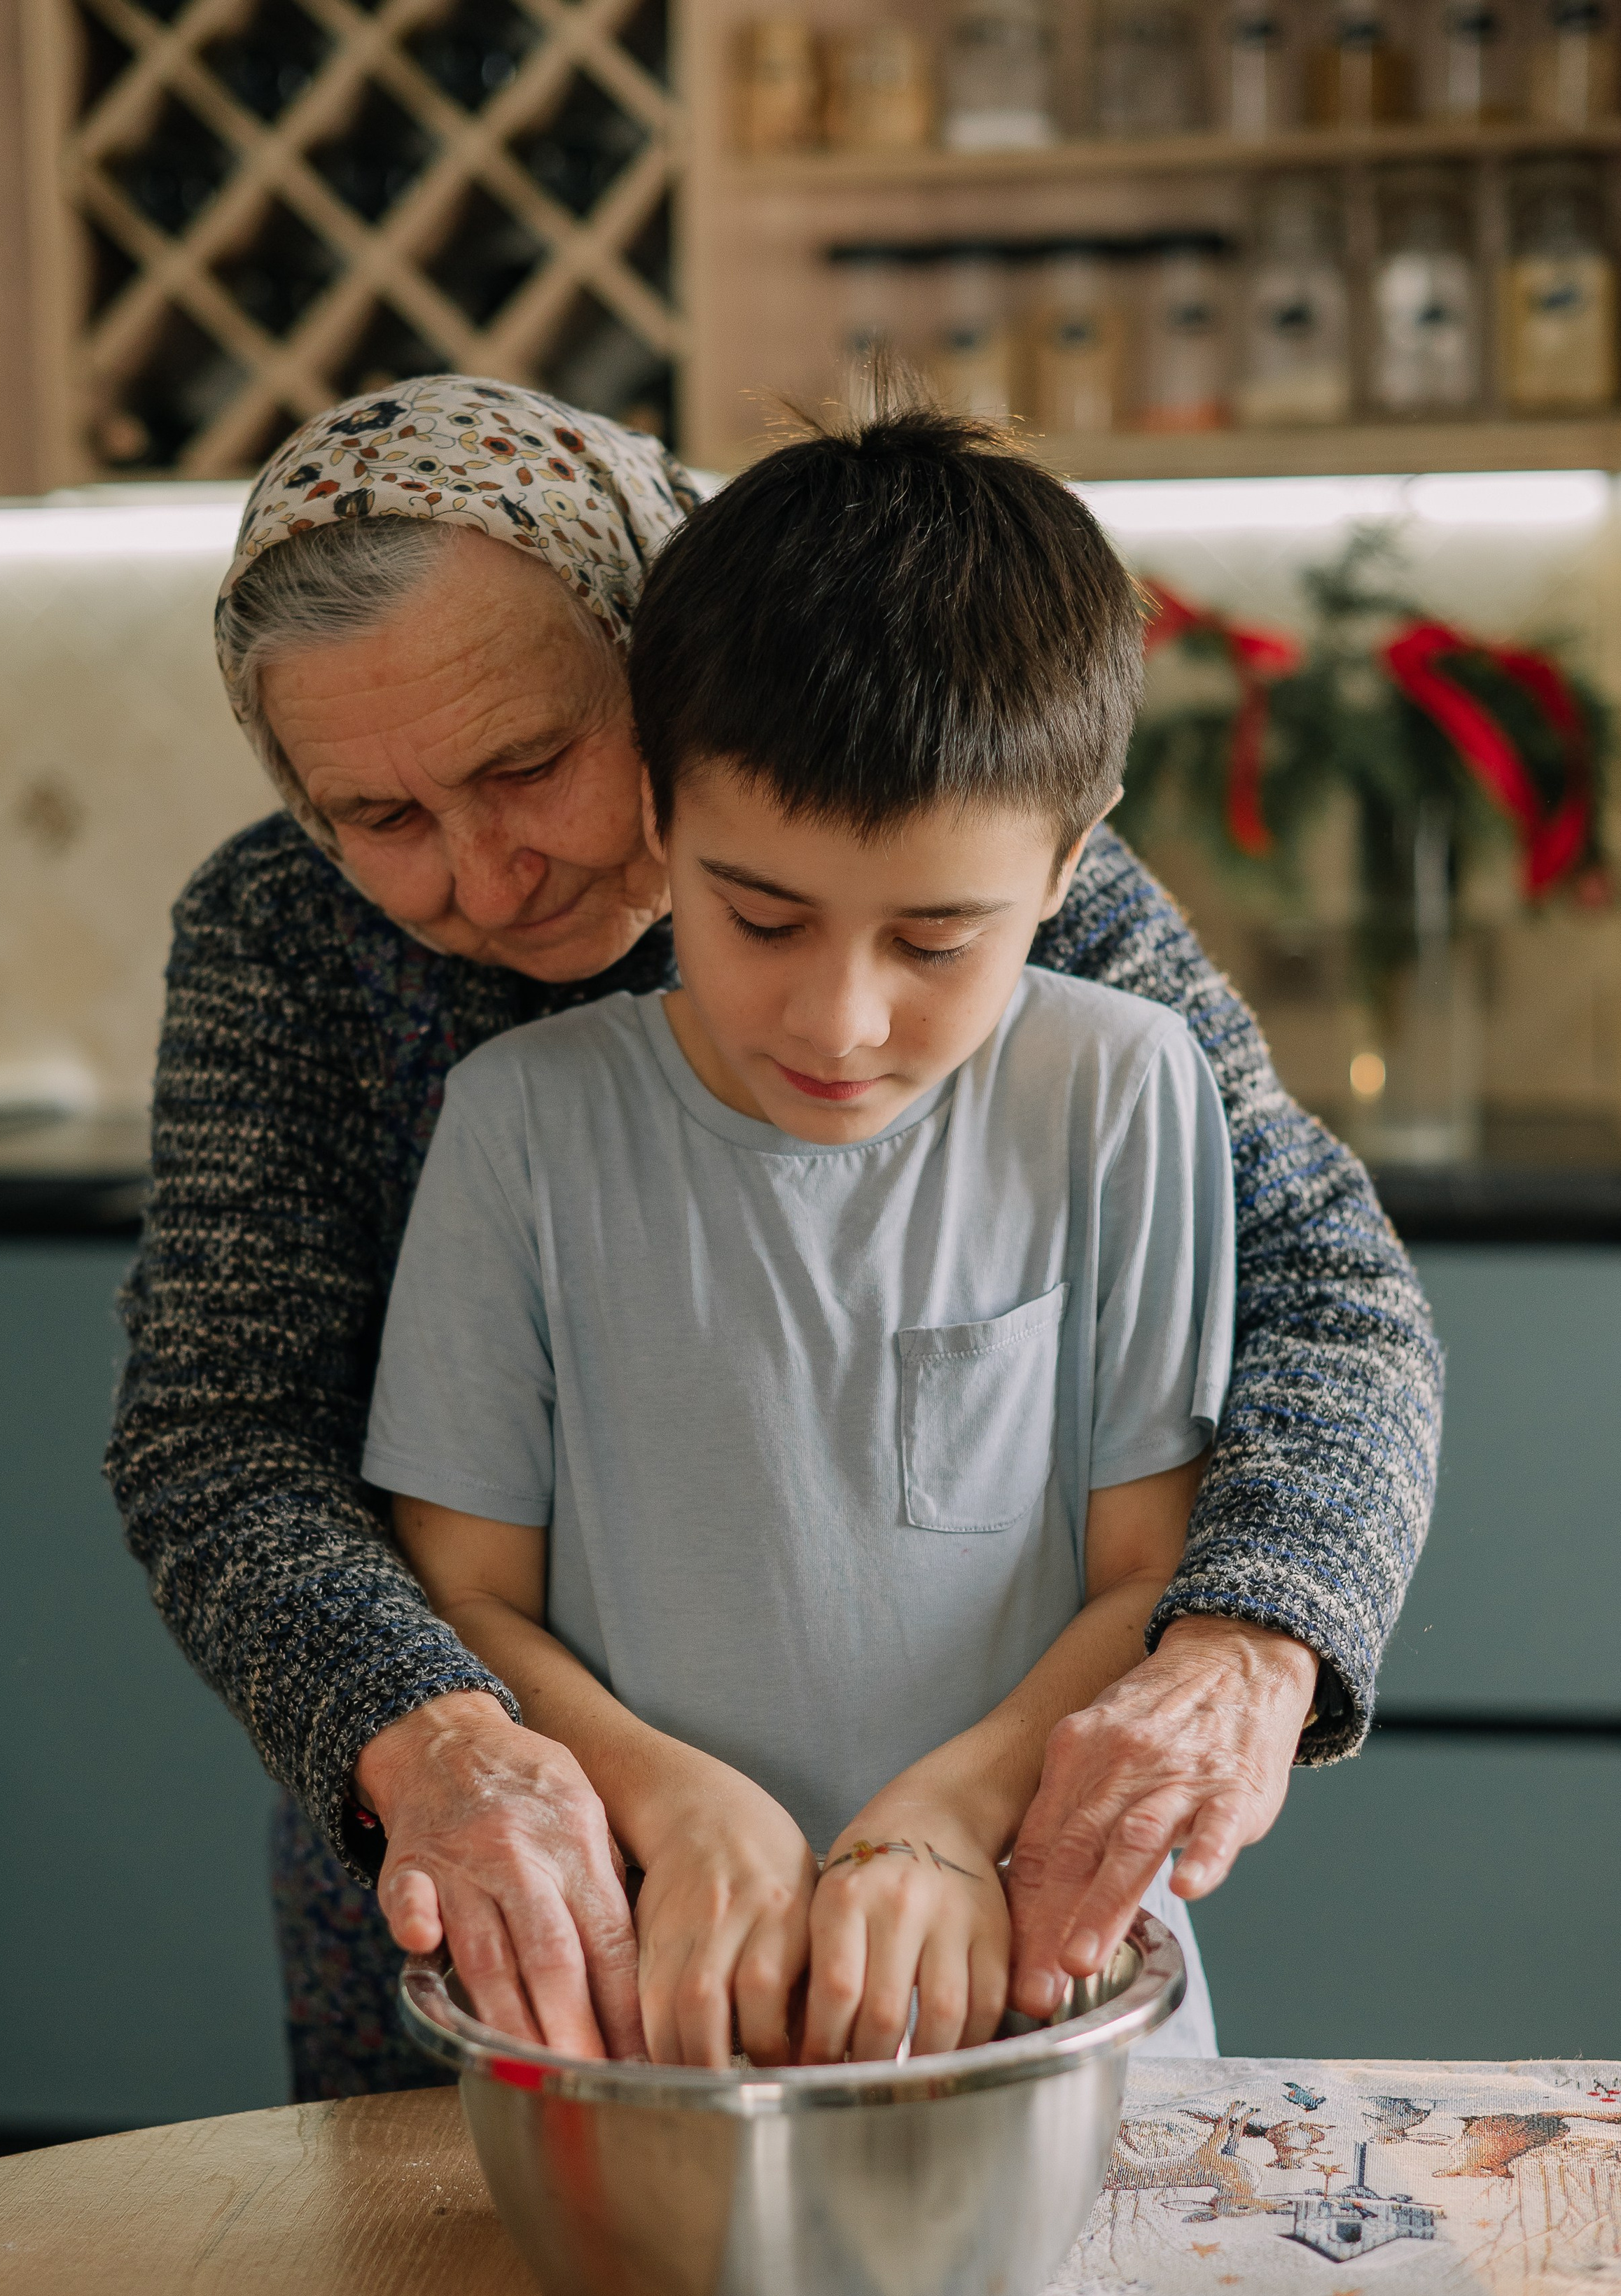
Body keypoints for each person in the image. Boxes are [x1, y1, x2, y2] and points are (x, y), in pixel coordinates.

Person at [104, 375, 1442, 2098]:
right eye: (381, 818)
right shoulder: (288, 949)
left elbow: (1324, 1290)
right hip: (519, 1893)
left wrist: (1241, 1641)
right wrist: (446, 1749)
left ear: (656, 680)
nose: (488, 876)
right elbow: (221, 1436)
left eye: (529, 764)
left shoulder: (943, 839)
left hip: (983, 1934)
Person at [363, 406, 1232, 2062]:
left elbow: (1151, 1574)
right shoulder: (524, 1125)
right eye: (758, 916)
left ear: (1068, 854)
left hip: (1036, 1999)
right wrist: (673, 1802)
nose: (840, 1018)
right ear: (652, 807)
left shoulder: (1121, 1092)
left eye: (932, 939)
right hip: (647, 2007)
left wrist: (951, 1814)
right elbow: (462, 1594)